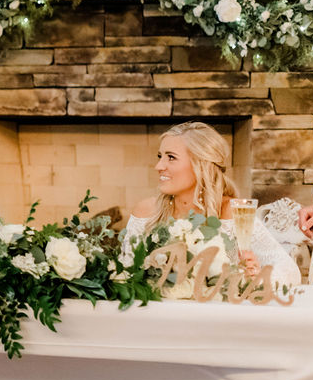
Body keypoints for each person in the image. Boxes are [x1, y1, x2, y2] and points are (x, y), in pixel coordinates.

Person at [121, 121, 300, 287]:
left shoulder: (233, 212)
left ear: (201, 164)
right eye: (160, 156)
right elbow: (125, 272)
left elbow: (289, 271)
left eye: (171, 157)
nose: (159, 166)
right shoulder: (146, 211)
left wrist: (255, 277)